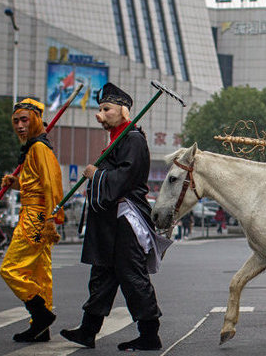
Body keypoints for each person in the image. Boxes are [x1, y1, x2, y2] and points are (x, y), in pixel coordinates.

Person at [60, 83, 171, 351]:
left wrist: (95, 175)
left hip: (126, 218)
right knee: (103, 273)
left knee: (131, 275)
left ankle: (149, 333)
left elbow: (125, 178)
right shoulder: (118, 138)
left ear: (123, 111)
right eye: (99, 109)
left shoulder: (132, 139)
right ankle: (88, 330)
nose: (101, 114)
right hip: (111, 220)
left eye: (106, 109)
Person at [0, 98, 64, 342]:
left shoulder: (38, 148)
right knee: (40, 273)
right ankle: (40, 327)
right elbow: (35, 185)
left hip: (36, 218)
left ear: (36, 119)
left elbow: (51, 184)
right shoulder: (34, 148)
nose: (19, 125)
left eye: (24, 119)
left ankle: (40, 314)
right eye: (15, 121)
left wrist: (51, 217)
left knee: (10, 269)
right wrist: (15, 184)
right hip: (36, 213)